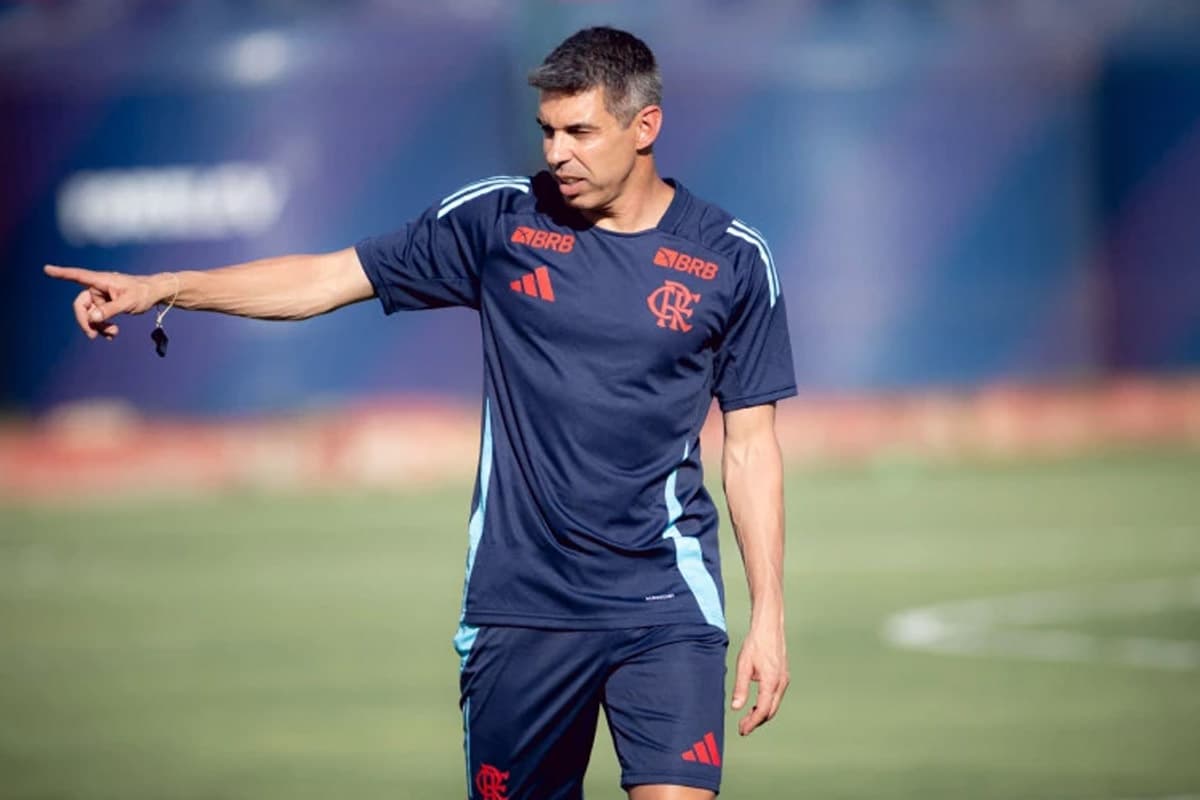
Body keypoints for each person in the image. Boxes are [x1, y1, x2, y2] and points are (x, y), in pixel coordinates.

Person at [46, 26, 795, 800]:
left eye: (580, 132)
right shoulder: (500, 220)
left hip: (666, 604)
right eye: (546, 131)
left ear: (645, 127)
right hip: (520, 609)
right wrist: (166, 286)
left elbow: (750, 449)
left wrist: (768, 617)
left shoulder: (734, 260)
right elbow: (323, 280)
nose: (557, 153)